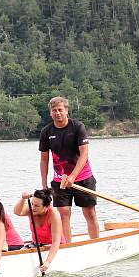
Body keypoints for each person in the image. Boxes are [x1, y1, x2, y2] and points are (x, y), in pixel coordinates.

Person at [39, 96, 99, 242]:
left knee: (89, 212)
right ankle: (68, 246)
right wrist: (44, 183)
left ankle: (95, 243)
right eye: (54, 110)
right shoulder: (46, 132)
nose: (57, 113)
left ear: (66, 111)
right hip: (60, 181)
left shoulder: (77, 127)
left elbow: (84, 155)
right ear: (50, 113)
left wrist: (73, 176)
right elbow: (44, 159)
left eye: (60, 110)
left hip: (83, 178)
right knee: (63, 213)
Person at [13, 189, 65, 273]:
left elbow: (56, 241)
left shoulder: (54, 214)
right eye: (32, 204)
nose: (33, 208)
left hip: (53, 244)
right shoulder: (31, 209)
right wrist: (23, 199)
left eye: (37, 206)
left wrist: (47, 262)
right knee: (18, 253)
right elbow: (17, 212)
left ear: (46, 206)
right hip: (36, 244)